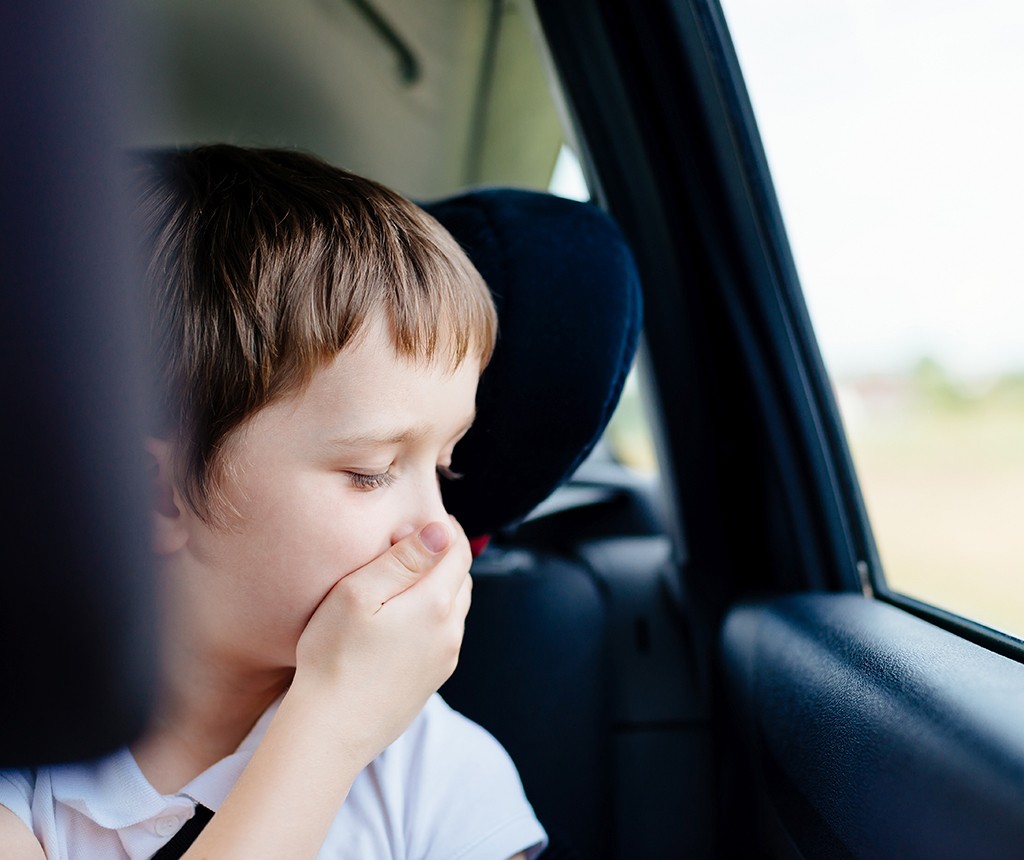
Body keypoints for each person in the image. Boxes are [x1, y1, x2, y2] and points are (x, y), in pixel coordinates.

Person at [0, 144, 548, 860]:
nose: (439, 527)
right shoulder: (25, 757)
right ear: (156, 493)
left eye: (443, 466)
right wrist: (330, 726)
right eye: (372, 471)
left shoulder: (437, 776)